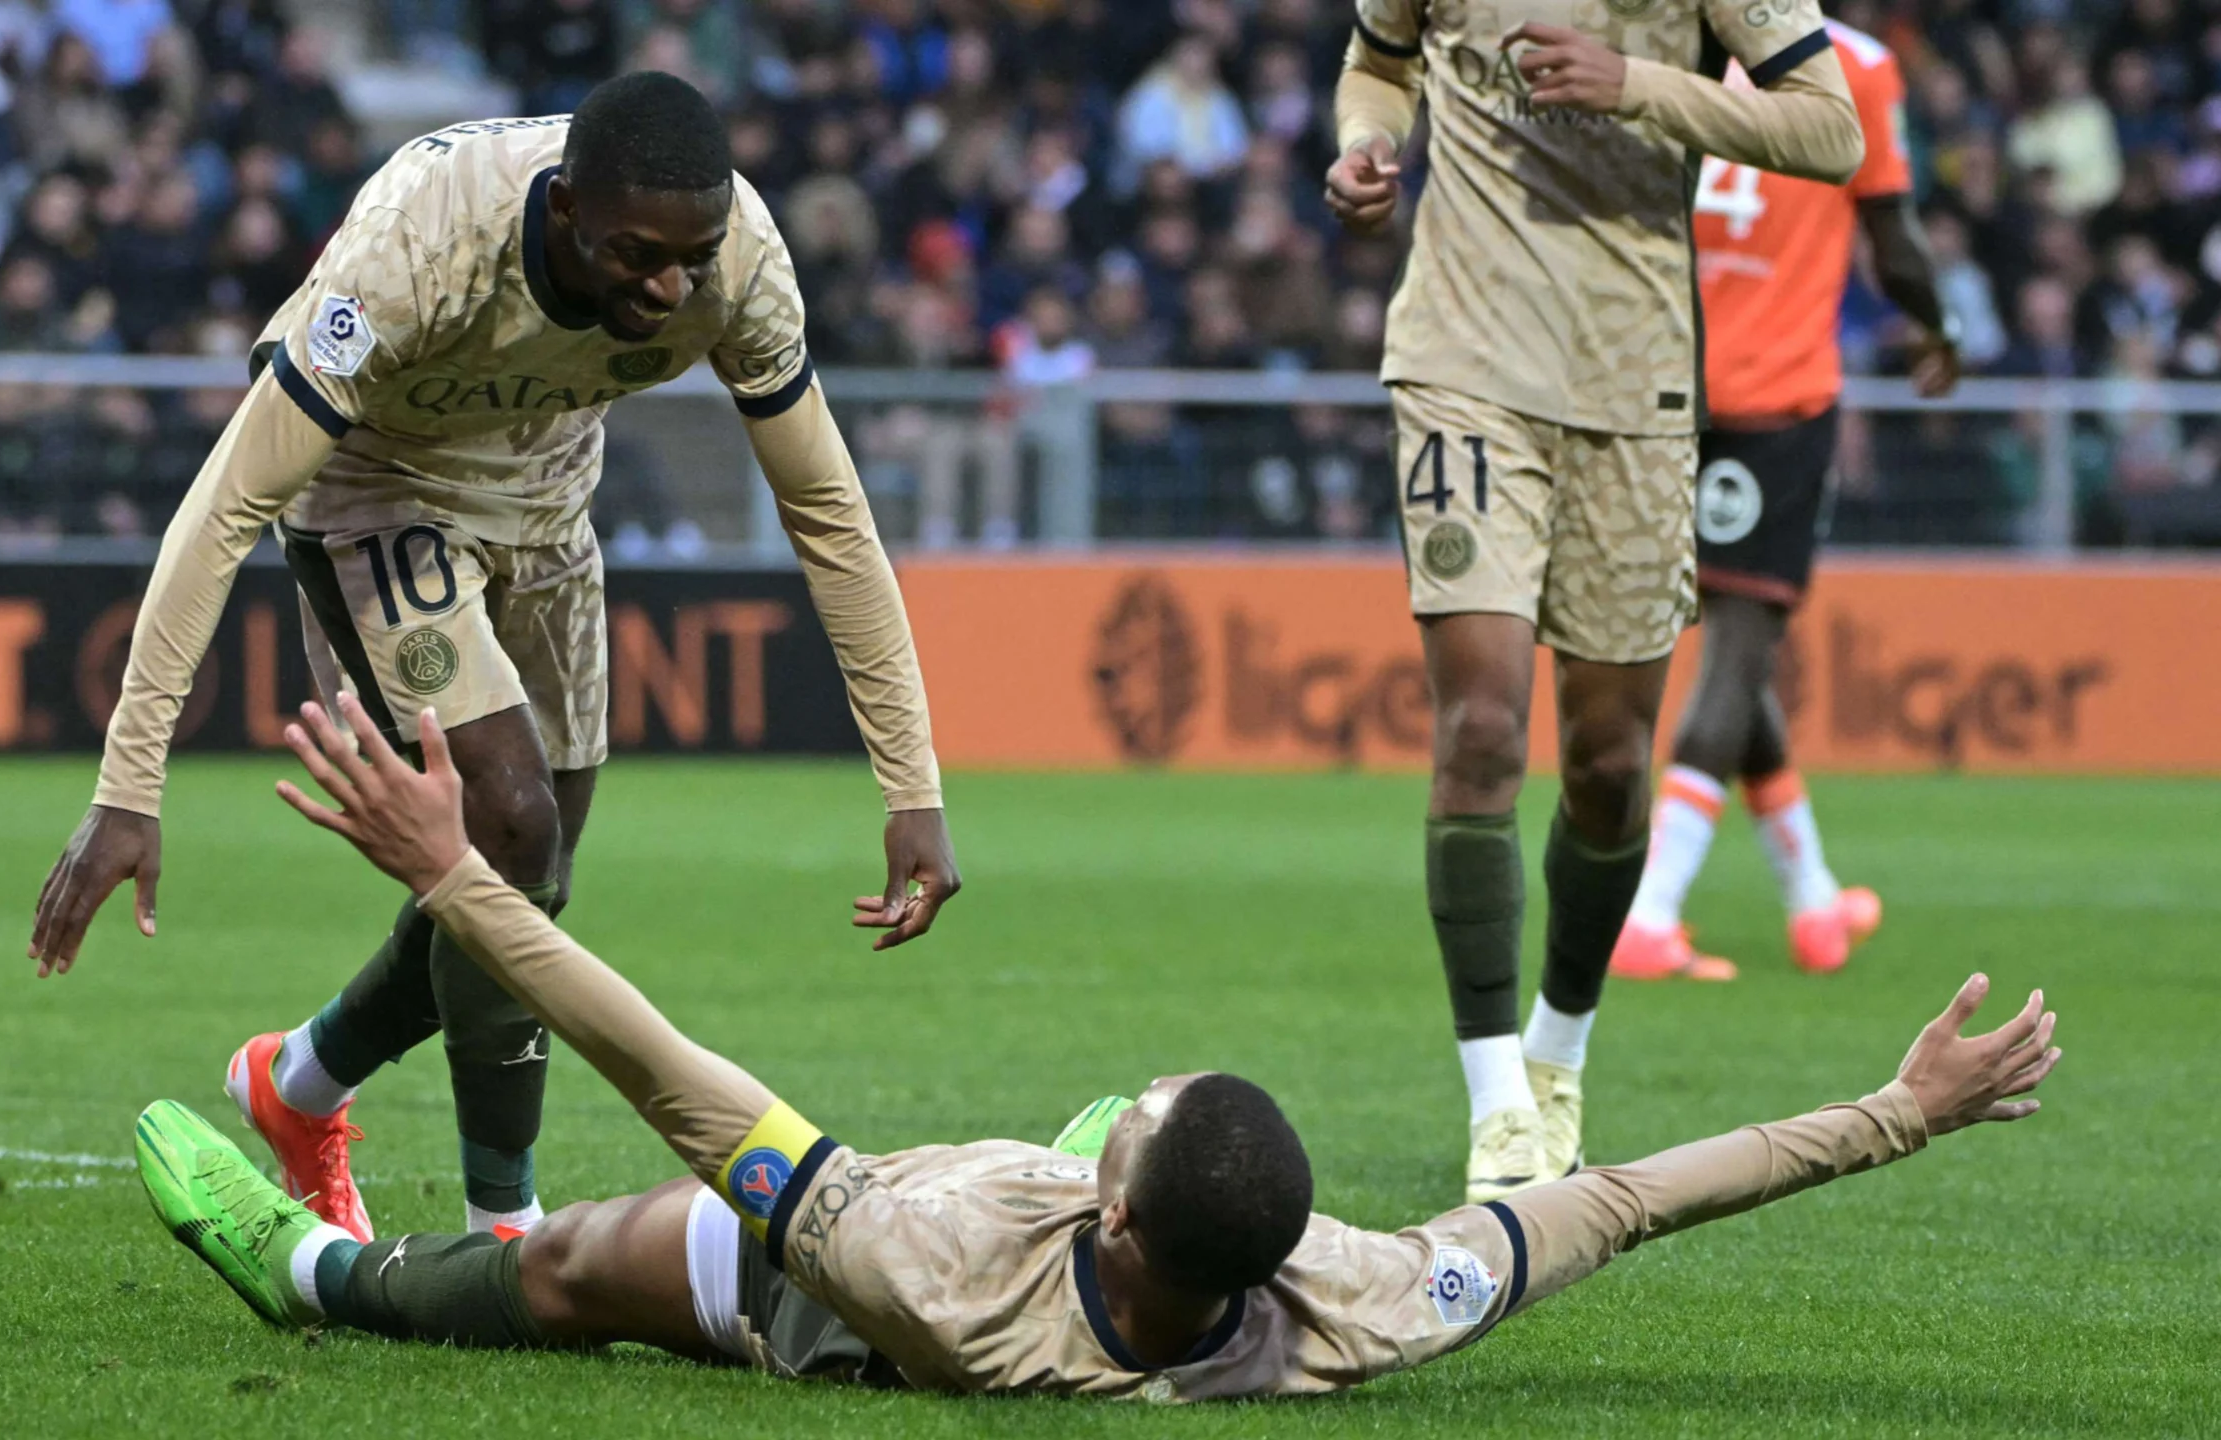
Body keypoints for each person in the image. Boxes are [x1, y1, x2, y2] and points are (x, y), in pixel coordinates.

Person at [133, 692, 2060, 1398]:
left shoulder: (929, 1271)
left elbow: (681, 1079)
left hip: (835, 1281)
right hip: (1091, 1244)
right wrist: (1894, 1110)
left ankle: (308, 1269)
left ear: (1117, 1210)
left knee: (573, 1267)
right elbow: (1623, 1200)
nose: (1141, 1100)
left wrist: (464, 882)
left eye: (1135, 1130)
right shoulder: (1360, 1296)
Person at [30, 73, 959, 1243]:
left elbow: (830, 513)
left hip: (551, 507)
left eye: (694, 255)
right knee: (510, 826)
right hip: (378, 492)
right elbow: (220, 507)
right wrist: (129, 785)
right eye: (637, 256)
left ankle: (299, 1082)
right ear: (564, 209)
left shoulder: (742, 262)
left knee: (534, 875)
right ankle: (503, 1233)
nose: (672, 286)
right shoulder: (423, 239)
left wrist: (911, 784)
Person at [1321, 0, 1864, 1201]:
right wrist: (1367, 146)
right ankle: (1497, 1101)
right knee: (1479, 727)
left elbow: (1834, 133)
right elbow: (1376, 65)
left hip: (1637, 390)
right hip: (1461, 364)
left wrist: (1633, 83)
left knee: (1613, 762)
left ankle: (1558, 1048)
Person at [1615, 18, 1960, 985]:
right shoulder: (1860, 65)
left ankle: (1813, 900)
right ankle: (1652, 911)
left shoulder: (1673, 41)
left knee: (1740, 648)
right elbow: (1892, 242)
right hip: (1776, 399)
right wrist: (1943, 328)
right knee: (1737, 649)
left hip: (1662, 384)